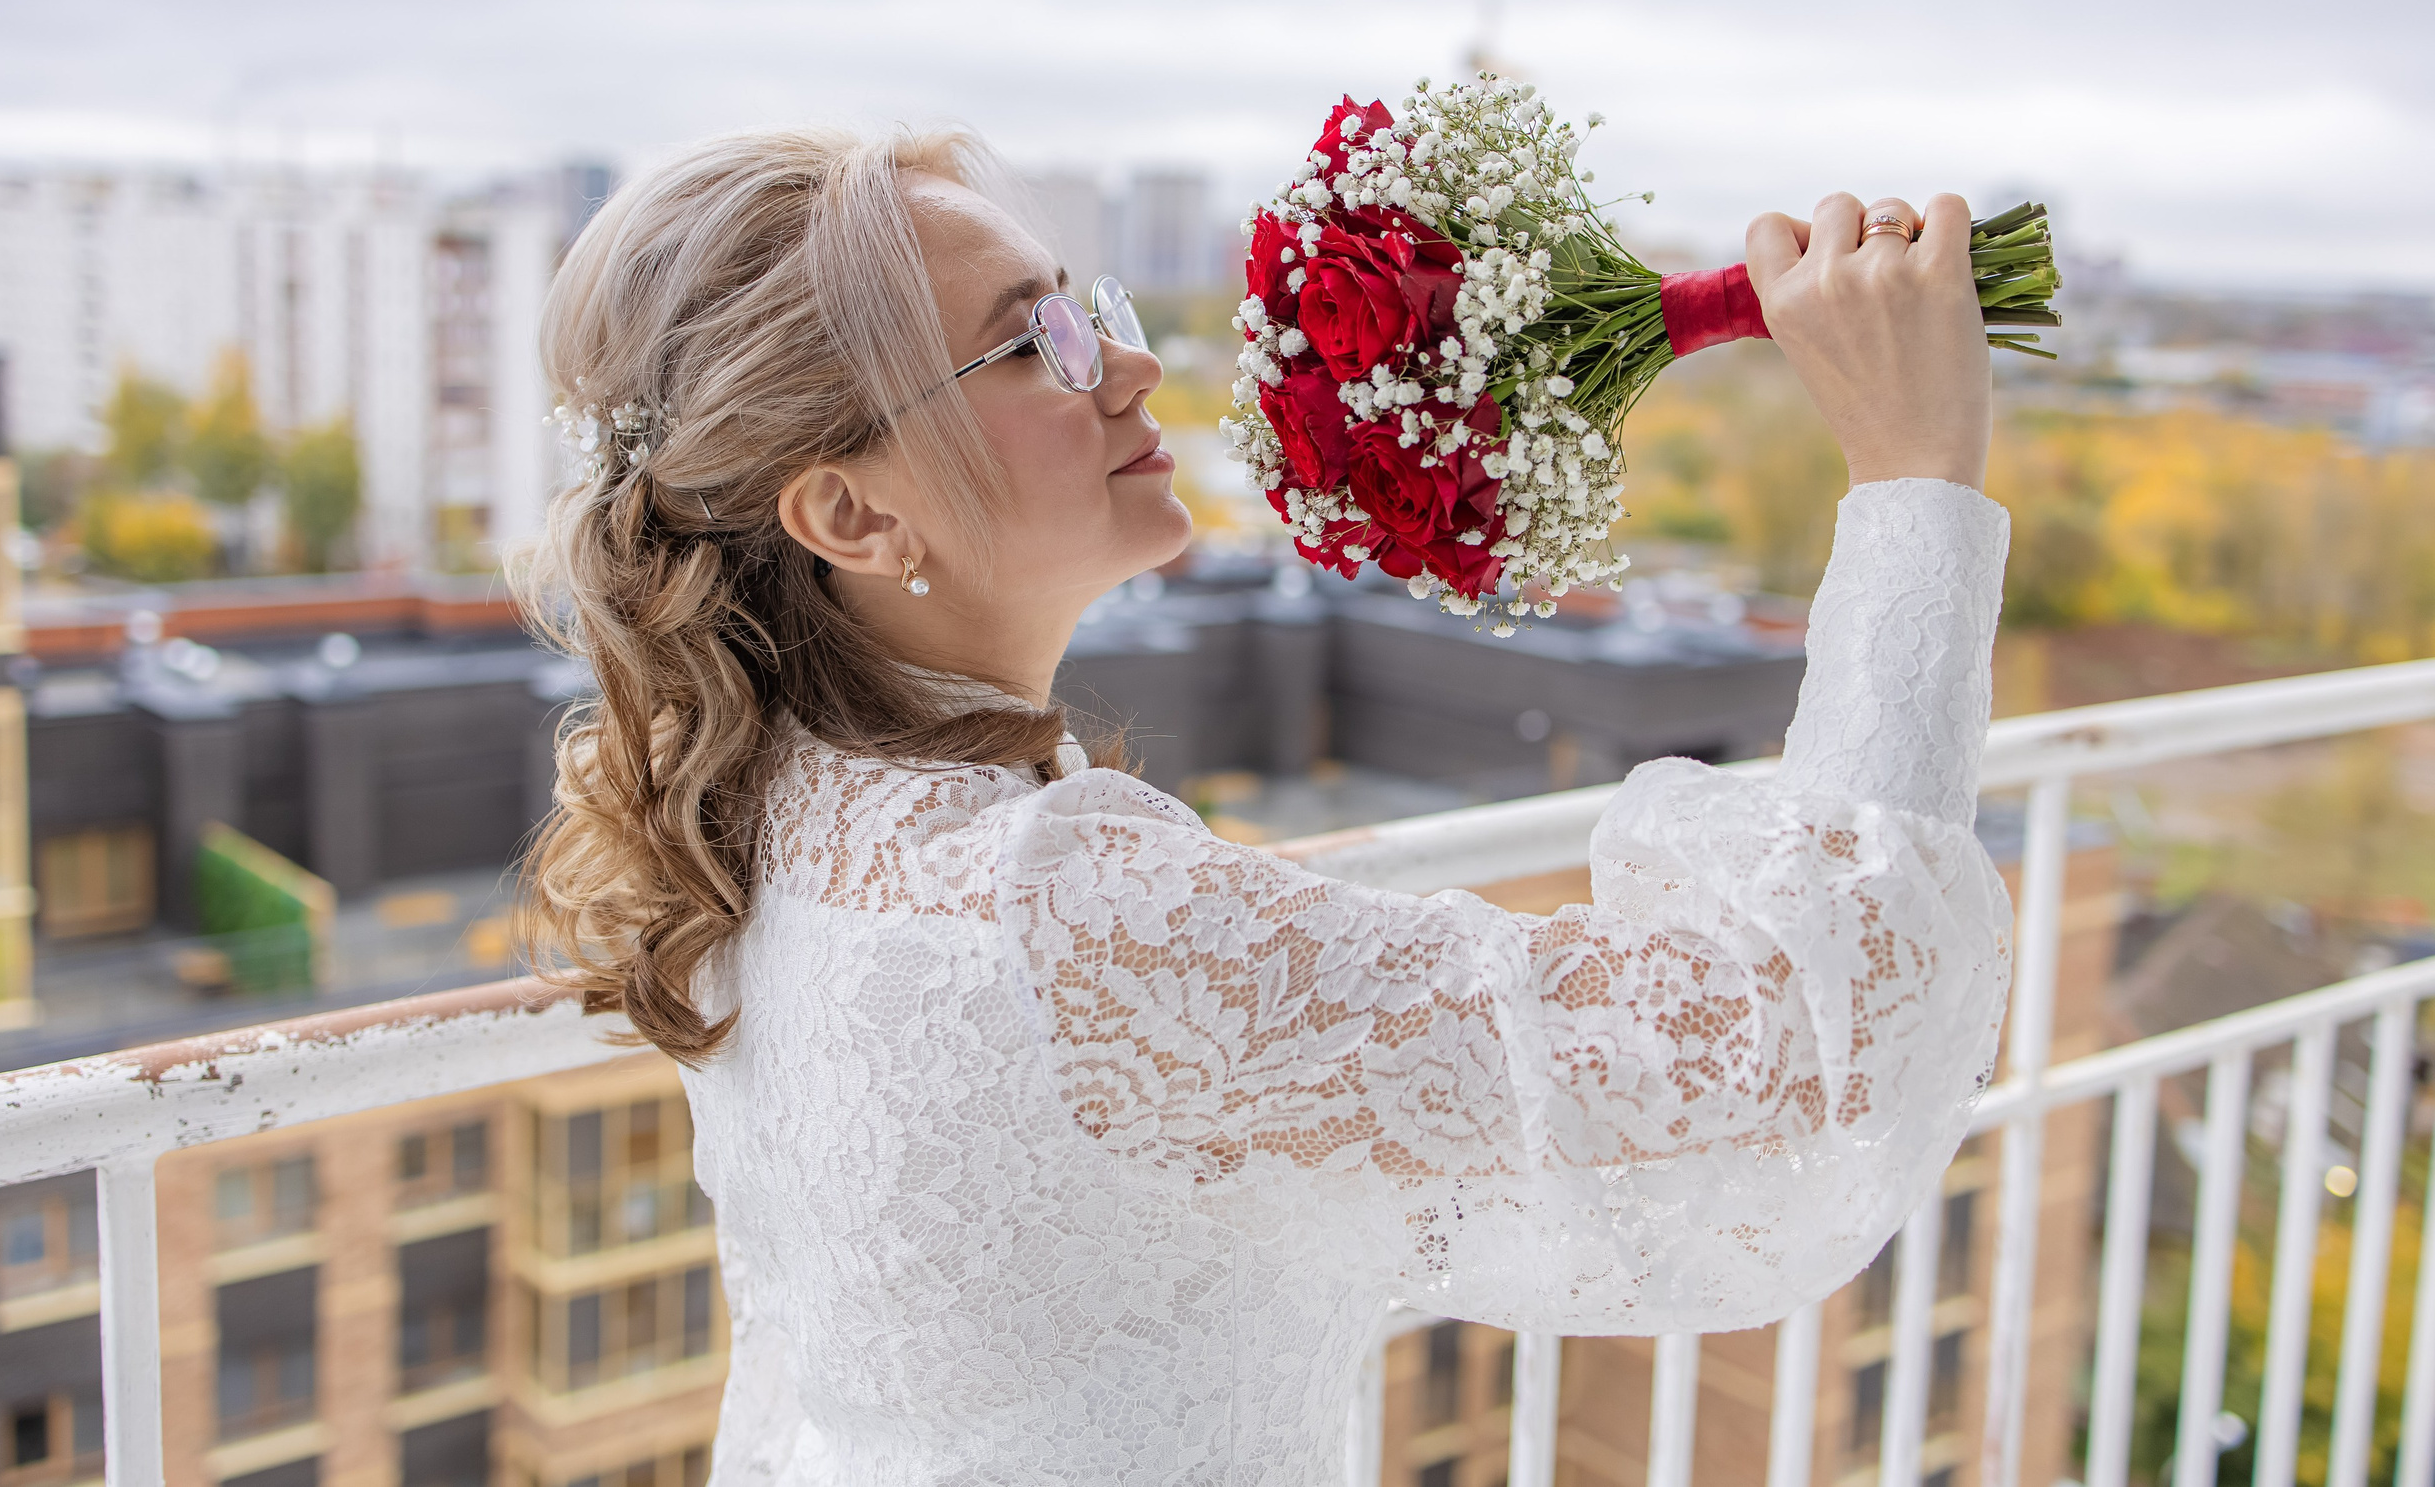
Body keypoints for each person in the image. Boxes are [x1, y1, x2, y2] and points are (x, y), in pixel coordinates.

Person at [518, 125, 2014, 1486]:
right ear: (850, 513)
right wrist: (1917, 482)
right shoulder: (1049, 904)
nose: (1127, 368)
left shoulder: (766, 810)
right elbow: (1793, 1048)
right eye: (1028, 343)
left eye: (1083, 307)